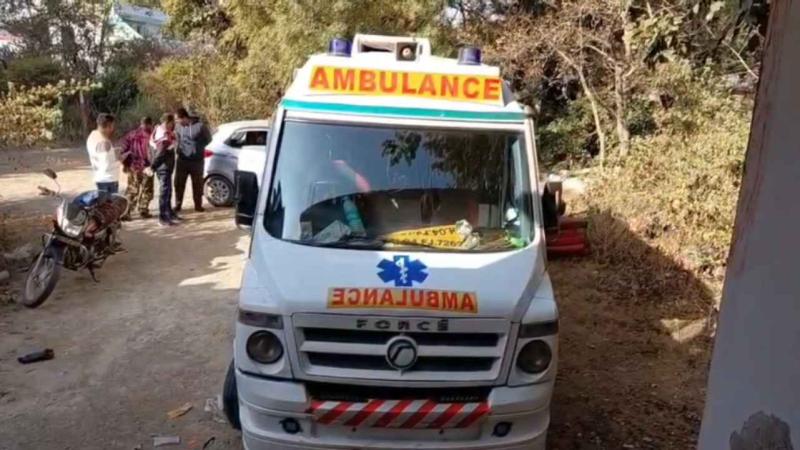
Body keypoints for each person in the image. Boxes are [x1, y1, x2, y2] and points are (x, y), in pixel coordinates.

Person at [174, 107, 211, 212]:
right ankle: (178, 205)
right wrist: (178, 148)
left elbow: (208, 139)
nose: (177, 122)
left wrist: (197, 148)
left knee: (197, 184)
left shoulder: (200, 126)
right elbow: (177, 139)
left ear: (184, 118)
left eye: (178, 119)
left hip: (197, 161)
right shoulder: (178, 127)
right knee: (179, 184)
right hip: (182, 160)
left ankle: (198, 205)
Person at [148, 114, 180, 227]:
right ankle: (162, 217)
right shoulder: (163, 135)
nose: (173, 125)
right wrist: (153, 166)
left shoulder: (162, 131)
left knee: (168, 191)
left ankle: (169, 213)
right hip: (163, 167)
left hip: (165, 166)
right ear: (168, 122)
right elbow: (161, 153)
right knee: (164, 193)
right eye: (172, 123)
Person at [119, 116, 155, 220]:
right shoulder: (152, 136)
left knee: (132, 190)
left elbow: (123, 150)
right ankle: (143, 210)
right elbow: (154, 152)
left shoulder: (131, 134)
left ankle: (127, 212)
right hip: (146, 167)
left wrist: (125, 164)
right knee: (147, 189)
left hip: (133, 167)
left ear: (141, 123)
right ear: (150, 124)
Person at [86, 113, 120, 193]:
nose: (112, 129)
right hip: (109, 179)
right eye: (112, 126)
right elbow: (106, 163)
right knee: (110, 201)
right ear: (108, 126)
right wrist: (119, 159)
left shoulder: (92, 136)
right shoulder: (104, 142)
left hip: (100, 177)